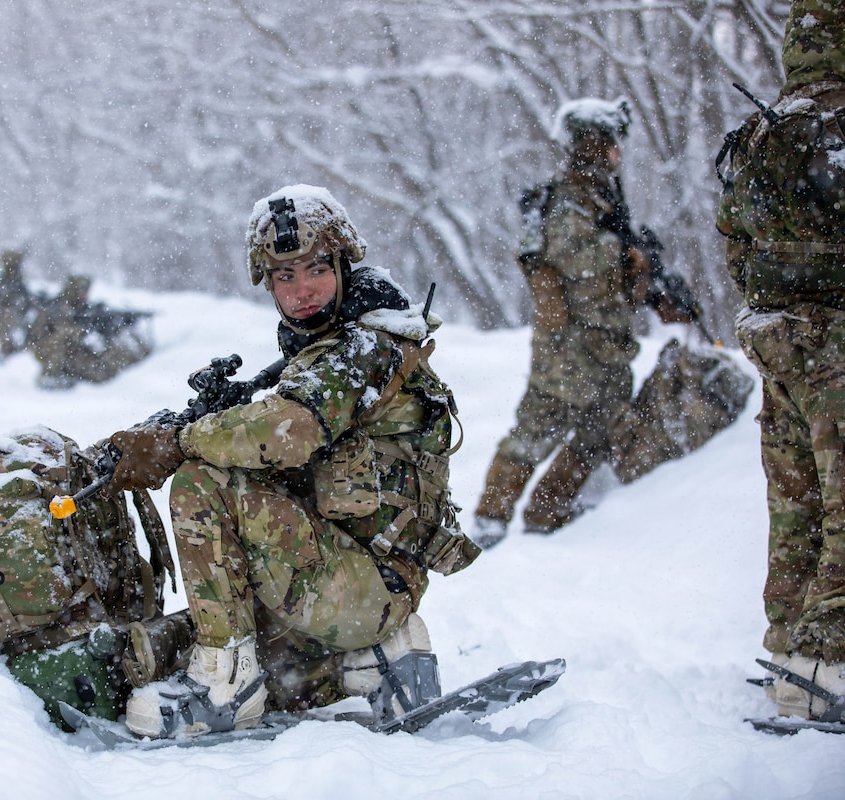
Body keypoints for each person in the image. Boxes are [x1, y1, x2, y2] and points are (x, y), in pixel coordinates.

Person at [102, 185, 477, 739]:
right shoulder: (330, 348)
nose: (302, 290)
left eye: (316, 270)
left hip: (364, 585)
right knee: (155, 661)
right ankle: (374, 661)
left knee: (201, 481)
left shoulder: (366, 348)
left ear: (344, 264)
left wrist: (179, 442)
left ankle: (228, 686)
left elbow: (291, 430)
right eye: (284, 277)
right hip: (363, 583)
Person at [717, 0, 845, 721]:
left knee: (795, 506)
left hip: (777, 338)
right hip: (836, 344)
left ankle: (790, 655)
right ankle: (830, 669)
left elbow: (733, 236)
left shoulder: (764, 127)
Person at [471, 99, 663, 548]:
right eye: (611, 143)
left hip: (604, 342)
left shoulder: (601, 194)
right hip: (573, 345)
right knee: (537, 428)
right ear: (595, 143)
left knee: (597, 432)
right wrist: (621, 252)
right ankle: (490, 521)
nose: (617, 153)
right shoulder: (572, 195)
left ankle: (546, 512)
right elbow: (571, 254)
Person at [0, 249, 31, 357]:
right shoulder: (8, 279)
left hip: (17, 313)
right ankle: (8, 348)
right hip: (11, 313)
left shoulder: (12, 279)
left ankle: (10, 348)